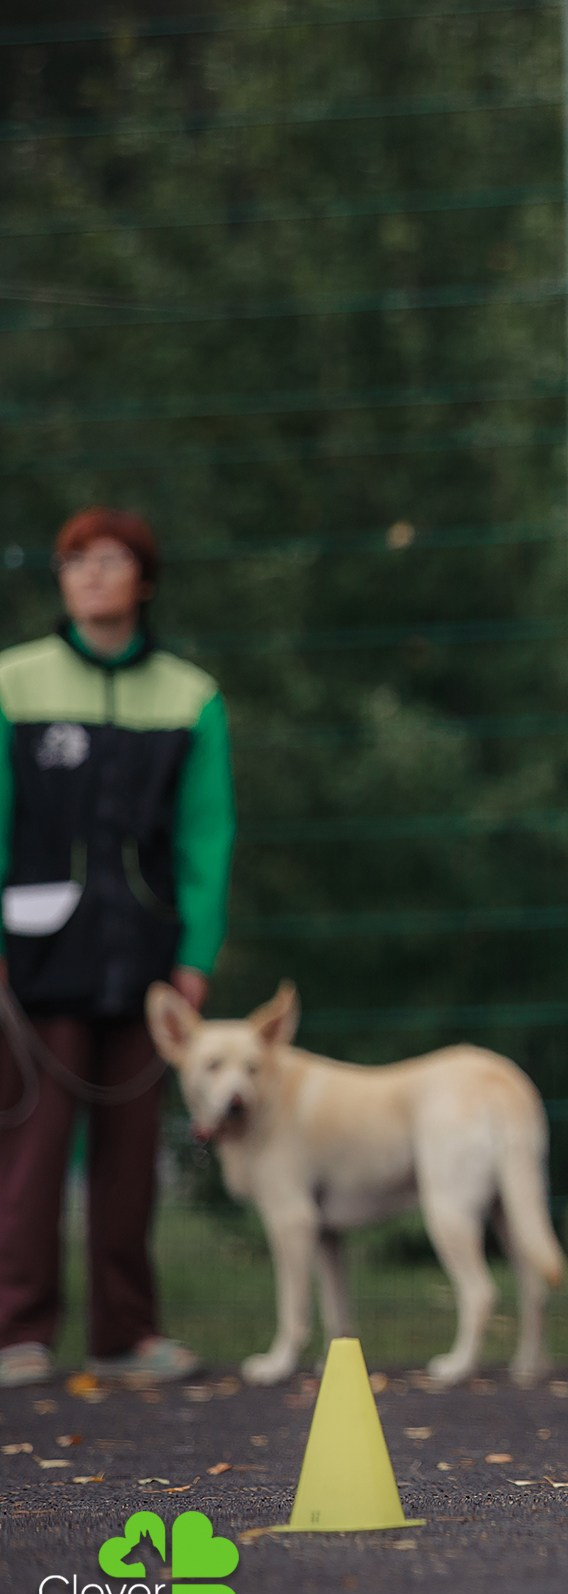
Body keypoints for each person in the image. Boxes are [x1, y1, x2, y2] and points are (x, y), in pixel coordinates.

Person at [0, 508, 233, 1387]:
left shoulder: (191, 696)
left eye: (110, 560)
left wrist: (195, 953)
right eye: (74, 561)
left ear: (145, 578)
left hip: (146, 964)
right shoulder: (13, 683)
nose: (91, 575)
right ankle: (17, 1332)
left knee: (132, 1152)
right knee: (28, 1147)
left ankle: (128, 1333)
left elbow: (206, 839)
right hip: (34, 961)